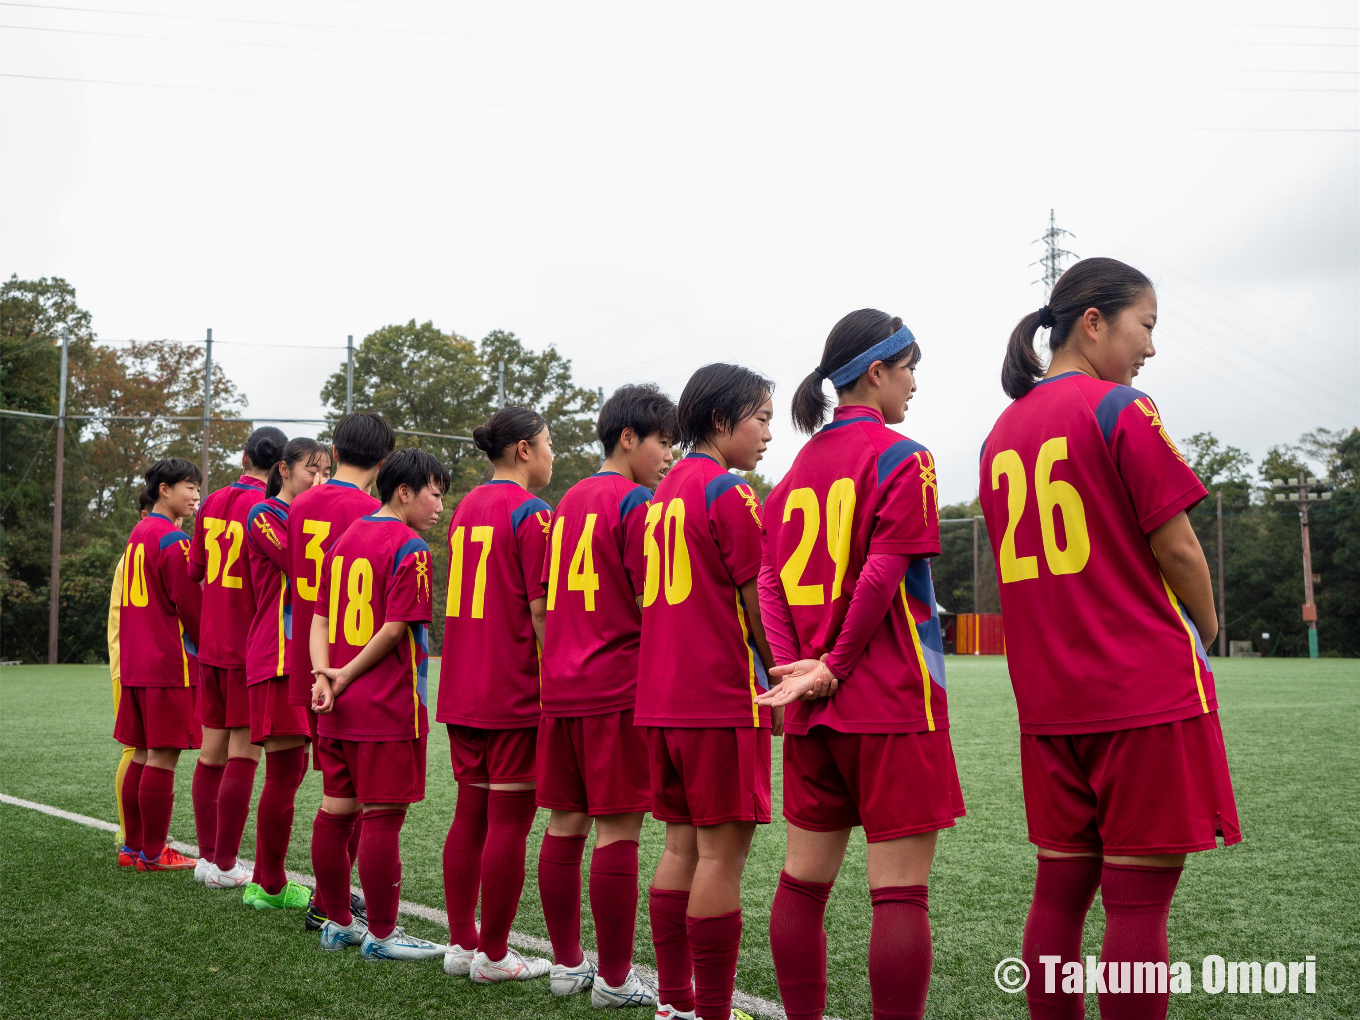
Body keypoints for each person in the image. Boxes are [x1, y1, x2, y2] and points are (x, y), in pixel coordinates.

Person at [978, 258, 1240, 1020]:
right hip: (1141, 693)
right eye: (1145, 325)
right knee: (1137, 907)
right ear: (1093, 322)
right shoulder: (1121, 408)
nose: (1151, 346)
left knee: (1057, 896)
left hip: (1049, 702)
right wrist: (1208, 630)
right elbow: (1179, 548)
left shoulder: (998, 434)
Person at [757, 310, 964, 1020]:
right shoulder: (905, 457)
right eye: (909, 370)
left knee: (803, 883)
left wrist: (795, 669)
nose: (914, 385)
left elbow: (769, 581)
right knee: (899, 893)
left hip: (812, 708)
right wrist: (833, 665)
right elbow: (881, 575)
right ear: (876, 373)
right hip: (890, 700)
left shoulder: (790, 476)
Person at [634, 364, 778, 1020]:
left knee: (679, 847)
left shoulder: (660, 495)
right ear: (722, 420)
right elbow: (756, 600)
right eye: (761, 418)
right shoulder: (729, 490)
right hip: (718, 696)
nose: (768, 433)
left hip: (661, 698)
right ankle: (711, 1011)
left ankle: (674, 1002)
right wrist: (782, 675)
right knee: (720, 856)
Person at [535, 384, 678, 1008]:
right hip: (617, 686)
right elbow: (654, 600)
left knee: (565, 825)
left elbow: (545, 601)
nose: (669, 456)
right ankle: (616, 980)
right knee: (618, 830)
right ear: (628, 438)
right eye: (663, 442)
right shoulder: (638, 503)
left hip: (562, 687)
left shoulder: (566, 501)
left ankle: (567, 965)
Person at [309, 446, 451, 961]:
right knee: (382, 819)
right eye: (434, 494)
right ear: (404, 492)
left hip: (337, 705)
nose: (440, 506)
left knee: (335, 813)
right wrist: (344, 674)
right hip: (385, 706)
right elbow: (394, 629)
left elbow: (319, 619)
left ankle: (339, 923)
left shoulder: (344, 540)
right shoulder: (410, 547)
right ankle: (385, 935)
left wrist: (324, 676)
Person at [438, 407, 555, 984]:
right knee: (509, 823)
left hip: (463, 685)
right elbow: (540, 612)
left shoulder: (465, 507)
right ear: (524, 449)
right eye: (549, 442)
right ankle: (494, 954)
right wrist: (558, 679)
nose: (553, 454)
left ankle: (462, 944)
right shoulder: (533, 512)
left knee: (470, 815)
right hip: (512, 688)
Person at [288, 411, 396, 931]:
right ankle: (329, 901)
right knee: (350, 797)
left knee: (336, 791)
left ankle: (329, 899)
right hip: (354, 661)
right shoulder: (373, 511)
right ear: (384, 460)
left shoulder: (299, 504)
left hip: (309, 656)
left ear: (334, 451)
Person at [186, 426, 287, 888]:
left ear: (245, 458)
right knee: (243, 756)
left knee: (211, 755)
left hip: (210, 642)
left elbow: (197, 572)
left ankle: (207, 859)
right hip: (250, 644)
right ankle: (225, 864)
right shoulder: (268, 508)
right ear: (283, 465)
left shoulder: (211, 501)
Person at [239, 437, 331, 910]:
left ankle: (265, 881)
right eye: (311, 470)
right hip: (278, 653)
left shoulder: (310, 516)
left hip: (308, 656)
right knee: (284, 772)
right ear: (283, 469)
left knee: (294, 771)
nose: (320, 479)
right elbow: (301, 565)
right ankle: (270, 884)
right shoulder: (264, 514)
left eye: (327, 472)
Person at [113, 457, 204, 872]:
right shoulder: (173, 540)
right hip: (168, 663)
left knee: (142, 753)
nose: (196, 495)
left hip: (136, 660)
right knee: (162, 757)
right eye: (188, 486)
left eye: (198, 488)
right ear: (164, 489)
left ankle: (133, 848)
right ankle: (153, 853)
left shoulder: (140, 532)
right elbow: (191, 606)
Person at [111, 489, 154, 863]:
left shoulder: (138, 550)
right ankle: (130, 837)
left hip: (135, 660)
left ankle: (134, 839)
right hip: (133, 662)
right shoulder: (144, 549)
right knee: (137, 748)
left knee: (142, 748)